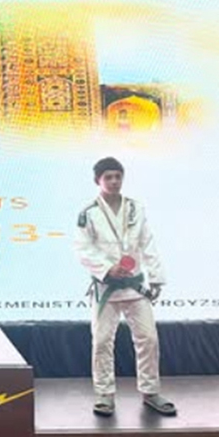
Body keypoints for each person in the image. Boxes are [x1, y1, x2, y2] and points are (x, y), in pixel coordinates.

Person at [74, 157, 176, 417]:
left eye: (118, 176)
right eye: (108, 177)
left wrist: (156, 277)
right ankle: (104, 394)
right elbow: (83, 249)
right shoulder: (88, 213)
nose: (114, 181)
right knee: (102, 342)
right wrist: (107, 269)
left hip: (135, 286)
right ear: (98, 180)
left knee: (148, 339)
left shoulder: (135, 208)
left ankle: (151, 392)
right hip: (106, 288)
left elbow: (147, 242)